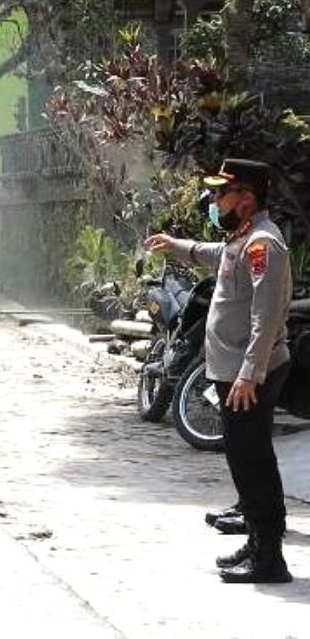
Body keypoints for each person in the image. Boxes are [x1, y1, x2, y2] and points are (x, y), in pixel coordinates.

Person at [145, 158, 293, 584]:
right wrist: (175, 245)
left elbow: (267, 317)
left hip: (249, 377)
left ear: (246, 199)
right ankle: (257, 542)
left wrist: (249, 373)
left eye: (220, 193)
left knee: (254, 462)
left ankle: (269, 558)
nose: (212, 200)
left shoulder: (264, 244)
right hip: (235, 373)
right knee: (244, 460)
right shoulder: (242, 238)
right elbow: (218, 257)